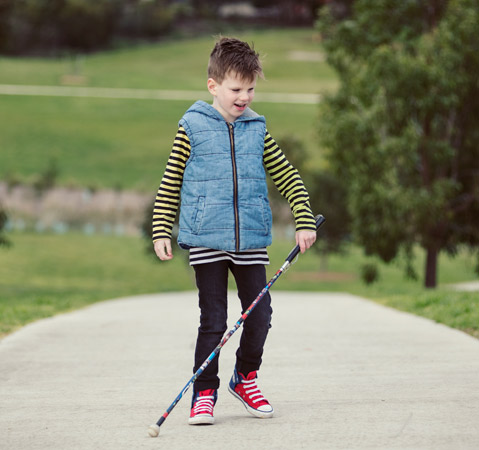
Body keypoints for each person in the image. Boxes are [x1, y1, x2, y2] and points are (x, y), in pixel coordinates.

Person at [152, 37, 317, 425]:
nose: (244, 97)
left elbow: (288, 177)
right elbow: (170, 181)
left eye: (250, 88)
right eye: (236, 89)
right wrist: (161, 228)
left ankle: (245, 377)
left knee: (259, 317)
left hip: (251, 242)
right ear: (213, 86)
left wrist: (304, 218)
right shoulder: (191, 126)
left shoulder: (257, 129)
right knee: (213, 321)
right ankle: (203, 393)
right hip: (207, 239)